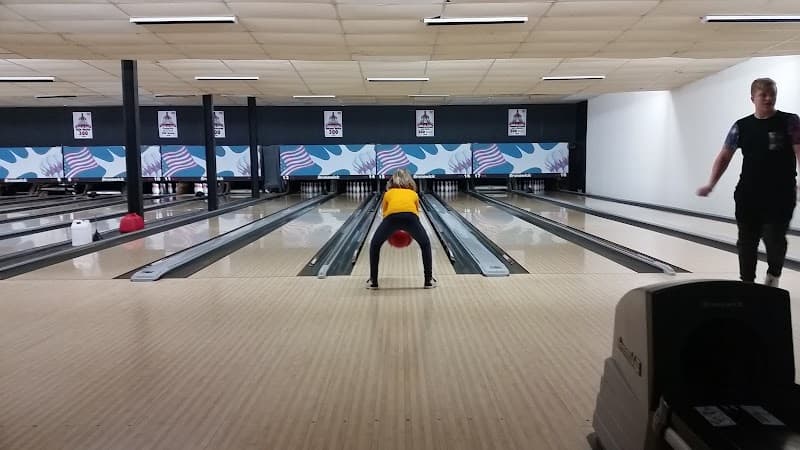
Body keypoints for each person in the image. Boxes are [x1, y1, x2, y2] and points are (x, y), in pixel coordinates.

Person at [697, 77, 800, 287]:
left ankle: (773, 275)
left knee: (774, 240)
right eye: (764, 94)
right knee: (746, 243)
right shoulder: (741, 126)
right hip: (748, 194)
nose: (769, 98)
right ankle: (747, 285)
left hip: (781, 194)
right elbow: (724, 156)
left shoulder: (790, 121)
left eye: (772, 94)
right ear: (753, 98)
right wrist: (711, 184)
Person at [367, 168, 436, 289]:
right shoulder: (413, 194)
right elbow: (416, 213)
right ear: (410, 182)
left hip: (391, 218)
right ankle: (428, 280)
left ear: (391, 182)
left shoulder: (388, 193)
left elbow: (385, 213)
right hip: (411, 218)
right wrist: (411, 230)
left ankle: (373, 281)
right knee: (425, 244)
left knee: (375, 244)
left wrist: (388, 231)